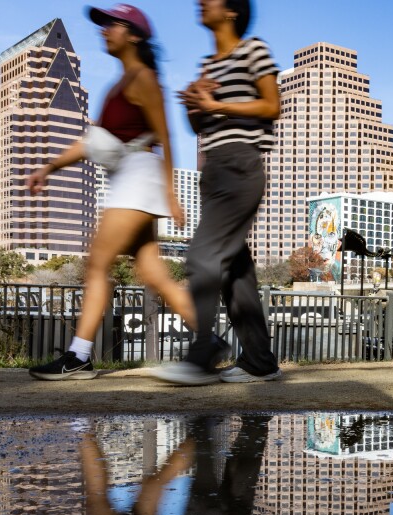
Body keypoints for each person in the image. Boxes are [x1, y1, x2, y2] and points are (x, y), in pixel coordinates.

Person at [27, 3, 194, 381]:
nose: (105, 30)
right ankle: (210, 340)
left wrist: (171, 193)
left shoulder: (144, 80)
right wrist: (48, 168)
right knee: (153, 273)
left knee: (98, 263)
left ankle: (79, 356)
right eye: (103, 25)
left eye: (113, 25)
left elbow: (166, 138)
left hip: (139, 177)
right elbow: (92, 143)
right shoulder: (118, 86)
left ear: (134, 35)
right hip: (129, 178)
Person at [153, 0, 281, 386]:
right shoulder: (210, 65)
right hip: (214, 171)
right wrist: (195, 103)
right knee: (235, 274)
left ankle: (204, 350)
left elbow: (272, 104)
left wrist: (215, 103)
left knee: (202, 254)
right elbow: (200, 126)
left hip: (240, 165)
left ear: (230, 11)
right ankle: (259, 360)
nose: (200, 2)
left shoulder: (252, 49)